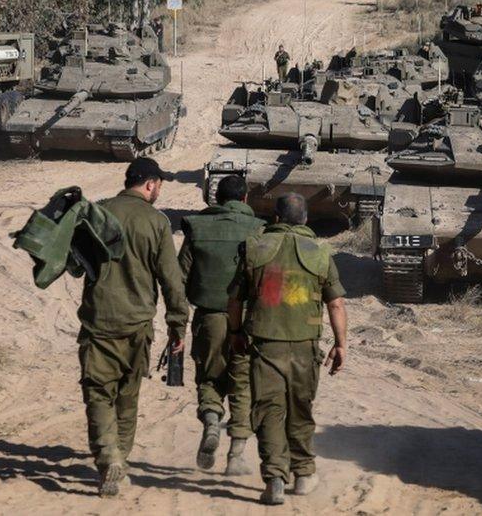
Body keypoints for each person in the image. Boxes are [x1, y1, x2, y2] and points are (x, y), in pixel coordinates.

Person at [76, 157, 188, 497]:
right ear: (151, 184)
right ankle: (119, 459)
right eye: (160, 185)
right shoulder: (156, 222)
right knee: (127, 395)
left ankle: (107, 456)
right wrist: (177, 325)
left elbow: (75, 263)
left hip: (98, 320)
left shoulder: (97, 212)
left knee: (97, 393)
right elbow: (171, 279)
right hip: (137, 324)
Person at [227, 193, 347, 505]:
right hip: (305, 349)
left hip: (265, 346)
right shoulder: (320, 252)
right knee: (301, 410)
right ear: (306, 219)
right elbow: (335, 303)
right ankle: (304, 474)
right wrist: (341, 344)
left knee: (269, 411)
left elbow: (235, 300)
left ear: (276, 219)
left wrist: (236, 332)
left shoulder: (254, 248)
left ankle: (274, 479)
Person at [178, 175, 266, 476]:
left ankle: (213, 421)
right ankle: (236, 456)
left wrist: (176, 324)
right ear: (245, 200)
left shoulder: (198, 227)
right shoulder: (260, 230)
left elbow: (180, 277)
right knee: (243, 384)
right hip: (247, 322)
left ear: (216, 199)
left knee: (209, 377)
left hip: (209, 318)